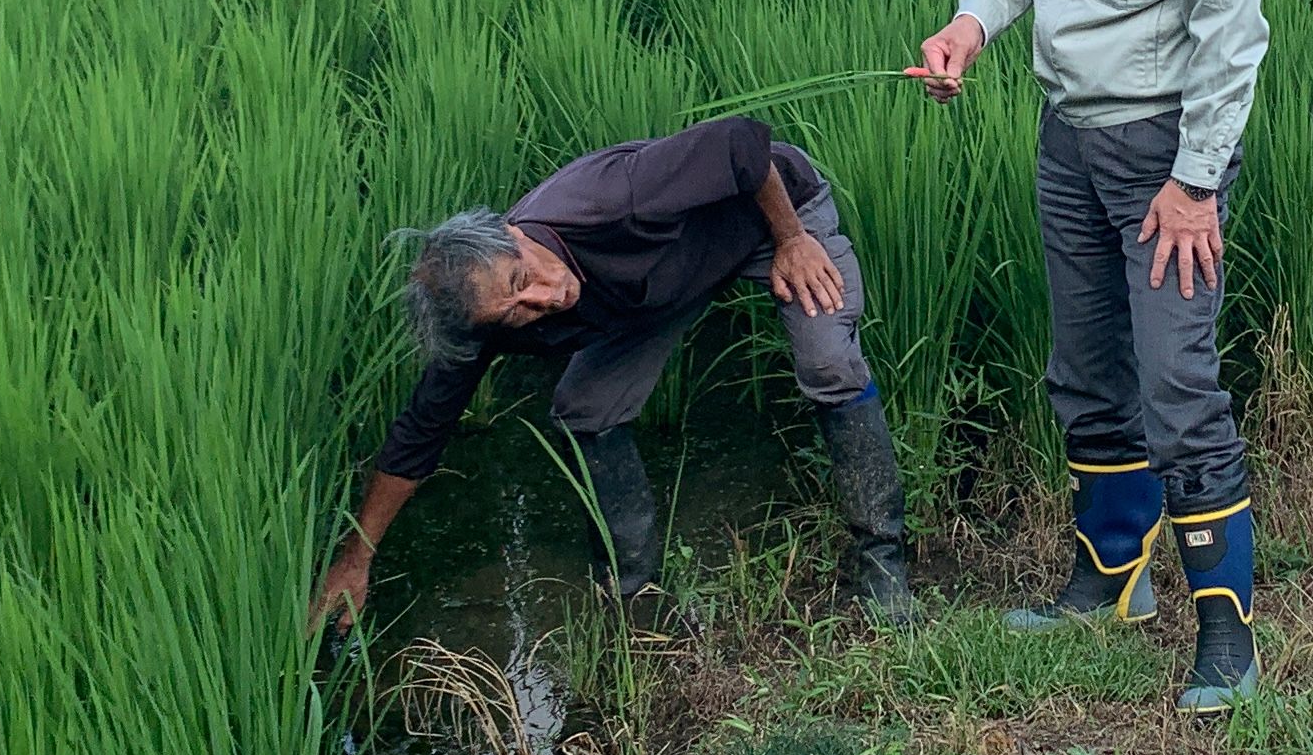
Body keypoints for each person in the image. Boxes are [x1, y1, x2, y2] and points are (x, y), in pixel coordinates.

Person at [910, 0, 1274, 713]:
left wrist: (1196, 183)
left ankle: (1226, 636)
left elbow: (1229, 34)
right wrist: (971, 24)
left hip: (1165, 155)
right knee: (1085, 366)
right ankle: (1113, 581)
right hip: (1069, 130)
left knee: (1175, 384)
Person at [307, 114, 913, 631]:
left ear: (513, 235)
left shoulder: (610, 200)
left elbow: (743, 143)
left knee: (829, 362)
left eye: (525, 280)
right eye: (513, 313)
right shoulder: (485, 313)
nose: (542, 300)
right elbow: (421, 431)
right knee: (586, 411)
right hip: (655, 288)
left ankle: (881, 562)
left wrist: (791, 238)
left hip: (769, 218)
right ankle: (636, 597)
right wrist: (356, 556)